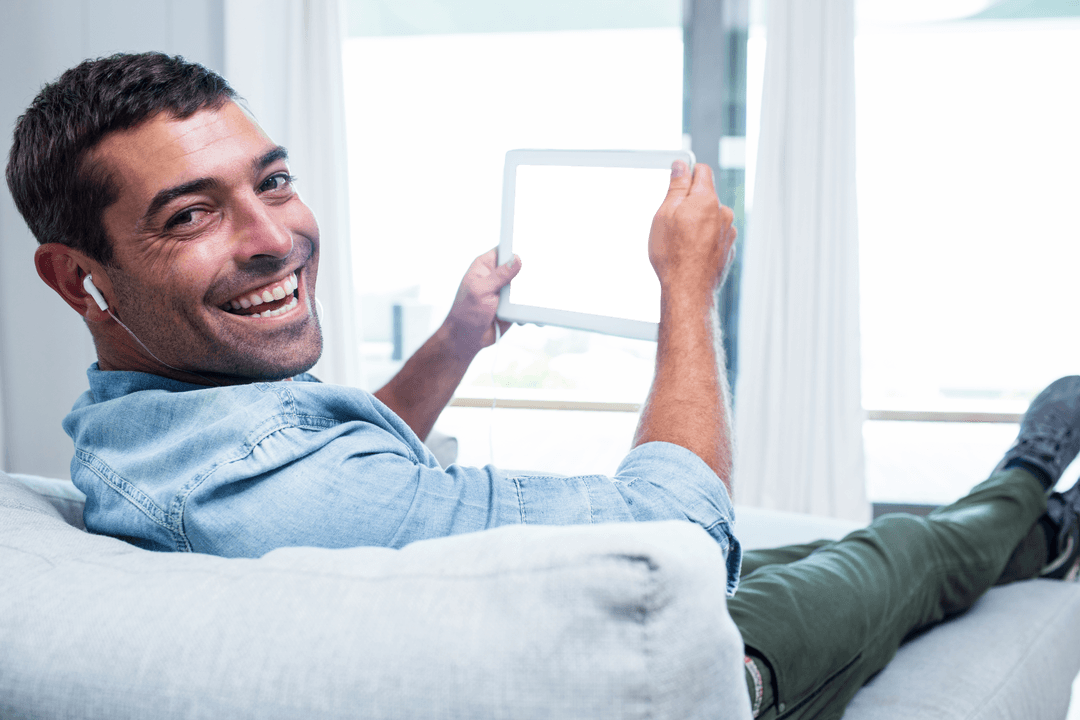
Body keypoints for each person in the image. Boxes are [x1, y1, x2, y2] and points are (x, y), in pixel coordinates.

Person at [6, 52, 1080, 720]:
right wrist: (687, 290)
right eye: (191, 214)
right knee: (898, 552)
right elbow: (688, 536)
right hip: (684, 656)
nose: (273, 239)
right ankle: (1033, 491)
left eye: (273, 180)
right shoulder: (265, 490)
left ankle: (1037, 531)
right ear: (78, 278)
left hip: (538, 612)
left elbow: (330, 455)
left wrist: (456, 340)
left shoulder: (140, 428)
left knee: (836, 546)